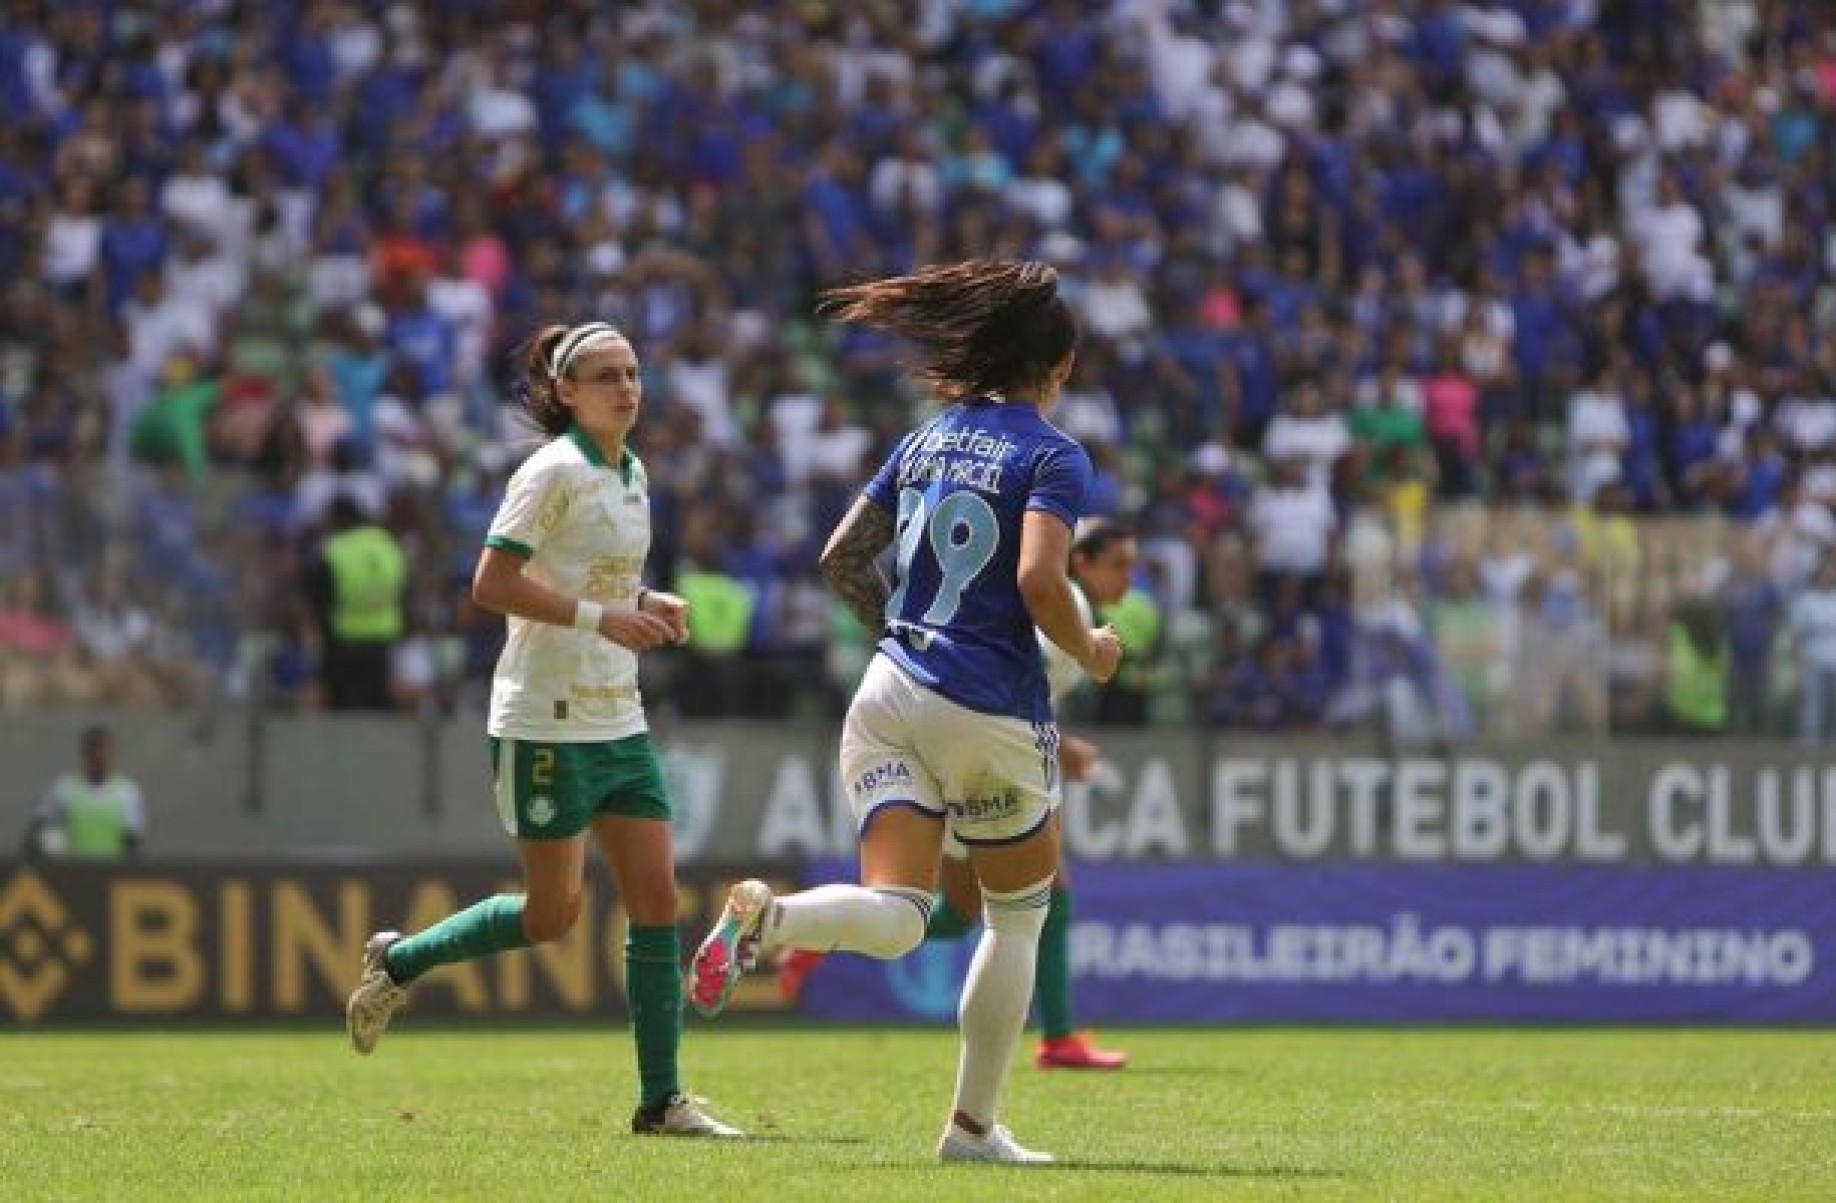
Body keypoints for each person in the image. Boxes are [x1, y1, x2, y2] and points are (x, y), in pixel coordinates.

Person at [684, 260, 1123, 1164]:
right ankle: (971, 1129)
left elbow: (842, 556)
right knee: (1015, 919)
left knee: (901, 910)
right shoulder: (1053, 454)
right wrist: (1091, 648)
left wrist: (910, 637)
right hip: (990, 706)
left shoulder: (926, 439)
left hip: (887, 691)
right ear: (1064, 363)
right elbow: (1042, 580)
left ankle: (773, 919)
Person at [343, 320, 742, 1138]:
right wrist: (605, 615)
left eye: (632, 372)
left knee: (658, 898)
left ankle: (661, 1099)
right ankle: (399, 960)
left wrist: (644, 604)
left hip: (617, 713)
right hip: (544, 719)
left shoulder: (632, 473)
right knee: (553, 914)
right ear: (565, 392)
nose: (626, 388)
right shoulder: (550, 470)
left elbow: (594, 580)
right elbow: (490, 582)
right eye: (605, 376)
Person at [774, 519, 1139, 1071]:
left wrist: (1059, 746)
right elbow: (1003, 693)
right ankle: (1058, 1037)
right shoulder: (1068, 615)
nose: (1128, 578)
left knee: (950, 913)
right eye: (1118, 564)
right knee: (1046, 891)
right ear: (1079, 562)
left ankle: (821, 930)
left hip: (947, 735)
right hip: (969, 751)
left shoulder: (1061, 611)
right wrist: (1052, 749)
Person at [304, 493, 408, 711]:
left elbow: (319, 595)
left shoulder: (334, 548)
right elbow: (402, 582)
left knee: (343, 702)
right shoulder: (385, 542)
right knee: (377, 700)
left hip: (344, 635)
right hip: (383, 632)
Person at [23, 725, 146, 860]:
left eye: (105, 752)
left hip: (112, 872)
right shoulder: (64, 788)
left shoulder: (127, 791)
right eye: (94, 753)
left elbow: (133, 842)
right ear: (84, 754)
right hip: (73, 872)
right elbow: (36, 829)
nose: (100, 758)